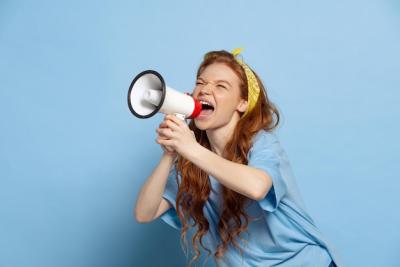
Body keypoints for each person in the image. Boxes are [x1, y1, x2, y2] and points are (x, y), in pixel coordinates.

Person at [135, 49, 343, 267]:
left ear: (242, 103)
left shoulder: (261, 144)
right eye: (200, 82)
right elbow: (144, 212)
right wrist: (170, 154)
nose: (205, 90)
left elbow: (257, 187)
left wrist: (190, 148)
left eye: (220, 86)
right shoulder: (192, 162)